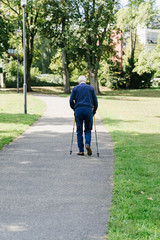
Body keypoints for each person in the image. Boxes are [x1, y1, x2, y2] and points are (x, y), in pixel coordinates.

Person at [69, 75, 98, 156]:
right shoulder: (91, 88)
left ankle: (81, 150)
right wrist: (94, 111)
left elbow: (71, 101)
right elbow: (95, 102)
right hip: (88, 110)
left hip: (79, 110)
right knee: (88, 130)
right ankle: (87, 144)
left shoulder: (75, 88)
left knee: (79, 131)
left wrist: (74, 109)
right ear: (85, 81)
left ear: (79, 82)